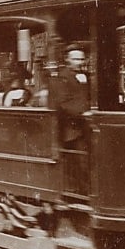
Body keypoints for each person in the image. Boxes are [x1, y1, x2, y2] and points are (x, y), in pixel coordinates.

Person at [47, 46, 92, 192]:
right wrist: (83, 113)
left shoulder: (84, 76)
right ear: (67, 59)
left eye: (81, 59)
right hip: (71, 130)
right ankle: (81, 191)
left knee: (86, 161)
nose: (79, 62)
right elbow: (63, 103)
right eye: (75, 59)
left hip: (84, 127)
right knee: (80, 162)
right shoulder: (62, 77)